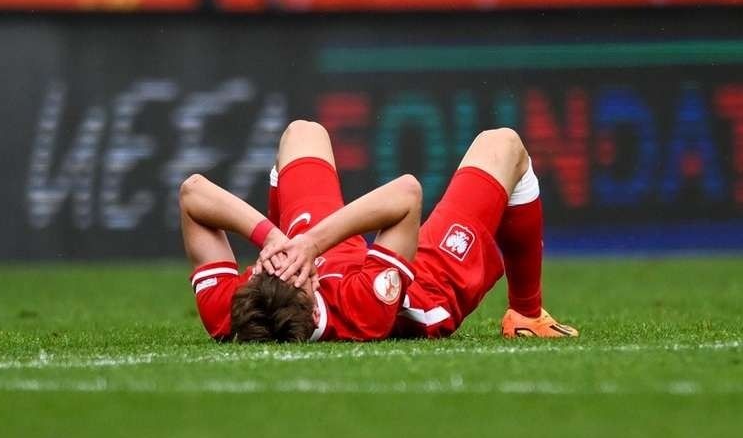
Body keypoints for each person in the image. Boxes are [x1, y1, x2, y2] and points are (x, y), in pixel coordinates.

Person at [179, 120, 578, 342]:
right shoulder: (360, 308)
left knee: (303, 133)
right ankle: (526, 314)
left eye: (265, 266)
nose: (277, 263)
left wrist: (272, 238)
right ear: (313, 294)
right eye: (290, 268)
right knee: (504, 144)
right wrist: (311, 243)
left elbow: (193, 193)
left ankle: (298, 240)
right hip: (419, 287)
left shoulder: (228, 309)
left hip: (326, 253)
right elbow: (405, 196)